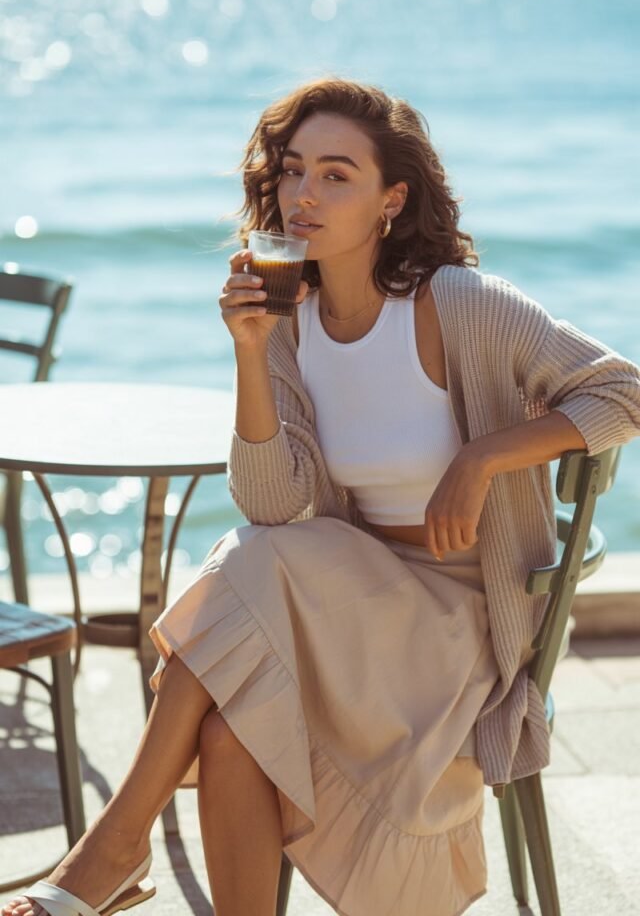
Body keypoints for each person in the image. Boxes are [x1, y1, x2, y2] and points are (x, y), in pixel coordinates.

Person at [5, 76, 640, 916]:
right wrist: (250, 352)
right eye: (294, 170)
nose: (305, 194)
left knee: (253, 563)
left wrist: (484, 456)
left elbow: (622, 393)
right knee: (233, 718)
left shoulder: (460, 306)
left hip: (461, 627)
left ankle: (111, 851)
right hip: (352, 607)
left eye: (337, 175)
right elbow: (271, 504)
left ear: (392, 198)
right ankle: (117, 855)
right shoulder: (288, 319)